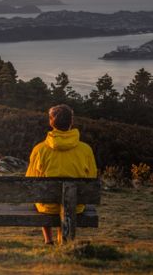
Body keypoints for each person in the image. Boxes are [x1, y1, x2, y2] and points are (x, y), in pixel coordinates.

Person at [26, 104, 97, 245]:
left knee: (42, 198)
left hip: (48, 206)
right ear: (71, 122)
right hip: (75, 205)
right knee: (65, 202)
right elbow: (92, 177)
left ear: (51, 122)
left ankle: (48, 240)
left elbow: (30, 179)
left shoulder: (40, 149)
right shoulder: (85, 149)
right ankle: (64, 240)